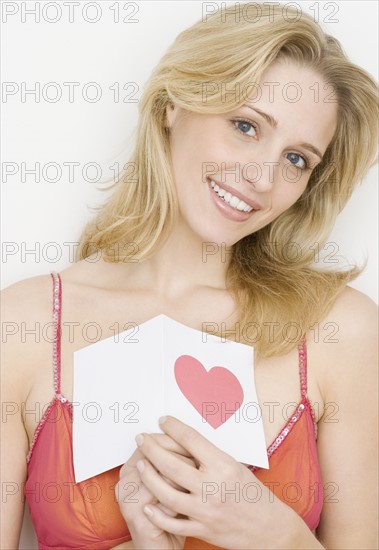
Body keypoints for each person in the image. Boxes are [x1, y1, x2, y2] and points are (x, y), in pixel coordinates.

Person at [1, 3, 378, 549]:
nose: (262, 178)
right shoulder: (24, 325)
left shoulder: (340, 330)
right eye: (246, 126)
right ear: (175, 104)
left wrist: (277, 536)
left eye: (296, 159)